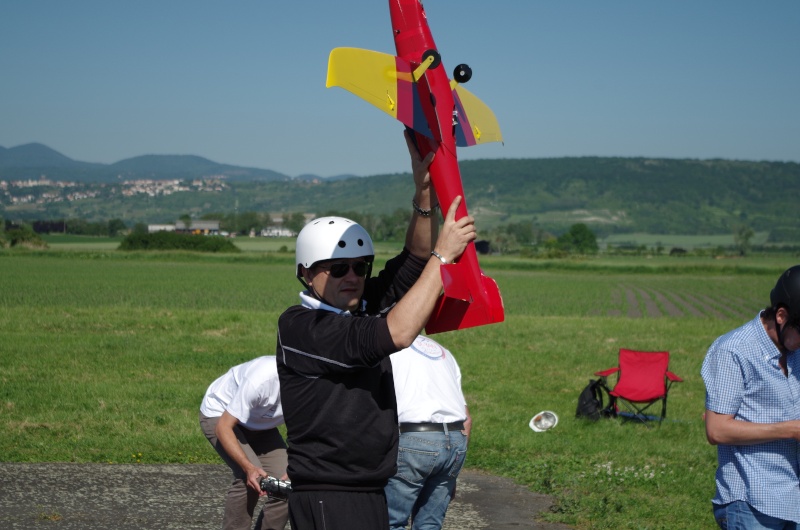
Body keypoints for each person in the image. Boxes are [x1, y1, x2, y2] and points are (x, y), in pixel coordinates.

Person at [275, 131, 477, 530]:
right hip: (329, 494)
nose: (352, 277)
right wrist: (445, 254)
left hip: (370, 487)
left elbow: (415, 261)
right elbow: (398, 333)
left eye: (360, 266)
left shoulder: (359, 308)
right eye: (337, 268)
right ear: (305, 273)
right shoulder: (302, 327)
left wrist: (423, 193)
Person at [701, 265, 800, 529]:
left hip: (793, 497)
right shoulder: (732, 351)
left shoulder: (795, 350)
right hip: (752, 503)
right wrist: (791, 430)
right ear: (781, 315)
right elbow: (717, 430)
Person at [385, 335, 472, 530]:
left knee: (391, 522)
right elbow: (467, 418)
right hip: (455, 439)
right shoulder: (443, 352)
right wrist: (452, 473)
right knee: (430, 524)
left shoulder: (387, 345)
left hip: (415, 438)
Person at [199, 356, 289, 530]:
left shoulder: (314, 387)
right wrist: (248, 467)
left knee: (287, 484)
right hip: (220, 414)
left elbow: (306, 431)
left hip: (261, 424)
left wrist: (296, 465)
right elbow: (223, 427)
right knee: (249, 479)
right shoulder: (262, 379)